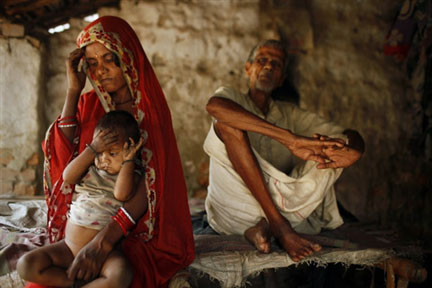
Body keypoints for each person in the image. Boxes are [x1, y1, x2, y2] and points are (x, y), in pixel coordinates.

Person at [23, 16, 194, 288]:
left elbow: (152, 183)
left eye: (109, 59)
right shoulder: (90, 101)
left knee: (129, 273)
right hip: (82, 217)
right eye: (92, 63)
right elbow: (60, 150)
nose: (101, 70)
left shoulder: (149, 111)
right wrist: (73, 90)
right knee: (35, 268)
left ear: (127, 57)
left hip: (126, 226)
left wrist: (102, 243)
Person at [203, 39, 364, 262]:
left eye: (276, 64)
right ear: (248, 68)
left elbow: (347, 133)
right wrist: (290, 139)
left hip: (281, 205)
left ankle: (262, 227)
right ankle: (277, 226)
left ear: (281, 79)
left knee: (331, 148)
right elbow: (215, 107)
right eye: (262, 60)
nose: (268, 67)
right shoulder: (231, 97)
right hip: (235, 205)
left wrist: (355, 149)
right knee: (226, 124)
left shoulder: (290, 114)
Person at [18, 111, 144, 287]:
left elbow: (121, 195)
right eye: (101, 154)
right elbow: (67, 177)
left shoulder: (131, 176)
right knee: (26, 265)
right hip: (69, 247)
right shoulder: (89, 169)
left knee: (120, 275)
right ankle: (70, 283)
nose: (104, 159)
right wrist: (92, 149)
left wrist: (129, 161)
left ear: (130, 148)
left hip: (104, 253)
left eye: (113, 154)